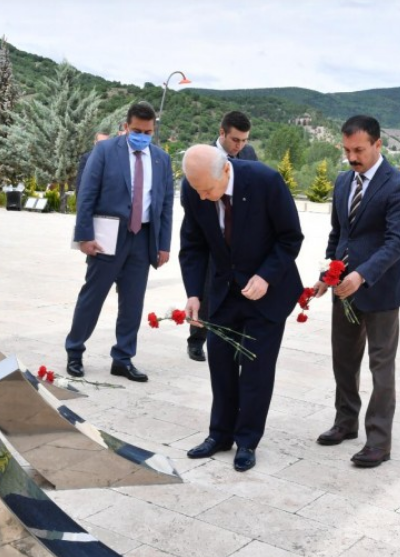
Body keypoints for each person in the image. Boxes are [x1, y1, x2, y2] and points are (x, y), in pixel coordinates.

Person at [179, 144, 304, 472]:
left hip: (267, 291)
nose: (203, 197)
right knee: (219, 364)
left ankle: (247, 440)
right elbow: (192, 244)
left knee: (256, 369)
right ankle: (219, 434)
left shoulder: (265, 181)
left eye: (207, 189)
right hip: (222, 292)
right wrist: (194, 294)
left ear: (225, 171)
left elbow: (290, 238)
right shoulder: (194, 189)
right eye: (196, 189)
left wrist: (266, 276)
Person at [313, 115, 400, 468]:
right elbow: (338, 235)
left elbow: (394, 244)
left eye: (358, 150)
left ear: (377, 145)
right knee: (343, 360)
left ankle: (379, 441)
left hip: (382, 291)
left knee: (380, 366)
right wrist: (328, 275)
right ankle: (345, 423)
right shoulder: (343, 183)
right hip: (344, 289)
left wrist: (361, 276)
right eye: (346, 150)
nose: (352, 157)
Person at [65, 101, 174, 383]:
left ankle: (123, 358)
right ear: (126, 127)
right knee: (92, 297)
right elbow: (87, 194)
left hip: (143, 238)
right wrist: (84, 236)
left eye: (148, 132)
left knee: (133, 303)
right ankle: (75, 351)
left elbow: (165, 205)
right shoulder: (104, 151)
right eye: (137, 130)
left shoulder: (162, 159)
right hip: (107, 237)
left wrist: (163, 245)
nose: (142, 136)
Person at [186, 111, 260, 363]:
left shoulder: (249, 156)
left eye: (244, 140)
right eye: (235, 140)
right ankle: (197, 339)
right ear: (222, 133)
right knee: (206, 290)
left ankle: (232, 335)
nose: (240, 146)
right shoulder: (201, 158)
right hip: (209, 239)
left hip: (237, 240)